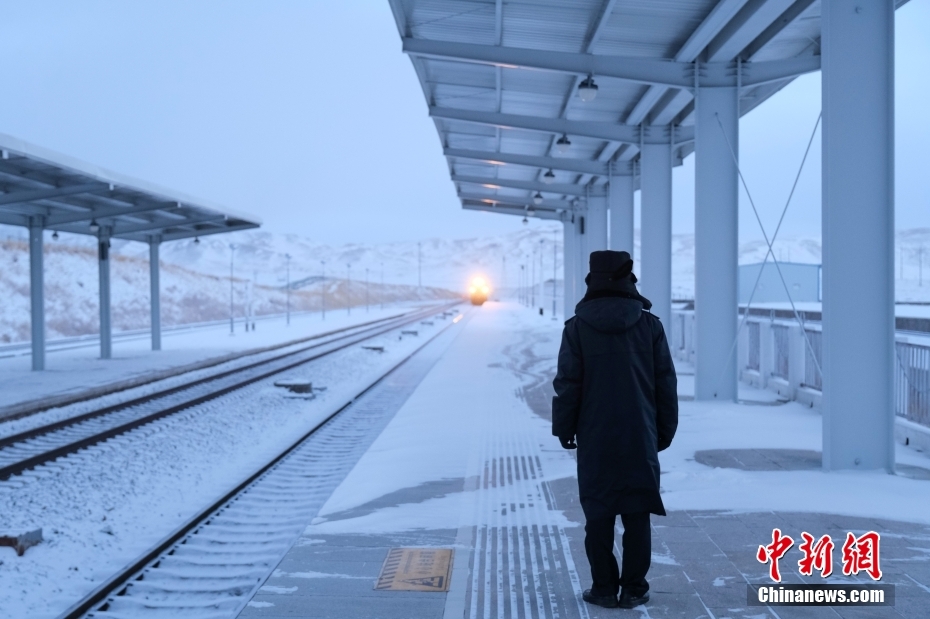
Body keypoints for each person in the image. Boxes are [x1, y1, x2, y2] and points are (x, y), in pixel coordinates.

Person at [552, 250, 678, 609]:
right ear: (628, 280)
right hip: (639, 433)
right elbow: (664, 383)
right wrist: (664, 430)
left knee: (599, 514)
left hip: (595, 436)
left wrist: (564, 428)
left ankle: (604, 587)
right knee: (637, 513)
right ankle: (634, 588)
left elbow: (568, 384)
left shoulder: (576, 328)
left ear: (592, 279)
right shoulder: (649, 326)